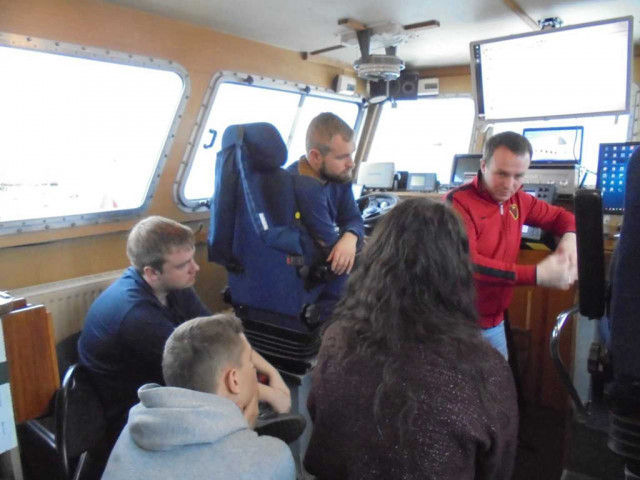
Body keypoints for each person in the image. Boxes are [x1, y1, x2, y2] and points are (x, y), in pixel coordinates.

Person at [304, 198, 518, 480]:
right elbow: (497, 469)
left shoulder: (336, 340)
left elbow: (321, 429)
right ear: (457, 272)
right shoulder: (486, 369)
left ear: (376, 262)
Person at [78, 216, 290, 427]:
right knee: (232, 392)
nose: (195, 268)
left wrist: (270, 372)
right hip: (132, 410)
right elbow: (201, 376)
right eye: (183, 265)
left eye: (192, 259)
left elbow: (223, 334)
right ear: (152, 273)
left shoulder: (172, 285)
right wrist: (269, 394)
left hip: (165, 383)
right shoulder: (137, 317)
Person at [102, 314, 296, 480]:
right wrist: (245, 435)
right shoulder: (270, 460)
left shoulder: (132, 429)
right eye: (250, 363)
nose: (254, 369)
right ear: (234, 380)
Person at [446, 131, 577, 359]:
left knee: (499, 393)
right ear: (484, 165)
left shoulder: (519, 200)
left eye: (518, 176)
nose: (509, 185)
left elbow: (562, 218)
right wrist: (537, 274)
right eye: (502, 174)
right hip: (457, 323)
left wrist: (570, 239)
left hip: (495, 322)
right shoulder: (457, 202)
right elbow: (468, 264)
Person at [286, 113, 365, 324]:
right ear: (315, 156)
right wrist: (353, 240)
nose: (351, 164)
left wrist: (350, 236)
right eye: (342, 157)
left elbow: (353, 218)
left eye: (352, 154)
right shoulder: (304, 185)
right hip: (306, 264)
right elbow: (331, 249)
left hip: (325, 254)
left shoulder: (338, 175)